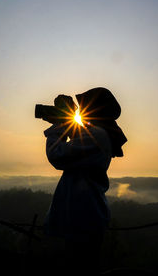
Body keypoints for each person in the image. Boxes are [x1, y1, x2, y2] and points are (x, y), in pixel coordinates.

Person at [43, 87, 127, 275]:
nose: (80, 112)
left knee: (77, 270)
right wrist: (67, 119)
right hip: (86, 216)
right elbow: (80, 141)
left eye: (82, 109)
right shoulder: (100, 134)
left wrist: (59, 125)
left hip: (82, 217)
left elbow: (57, 155)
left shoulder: (96, 135)